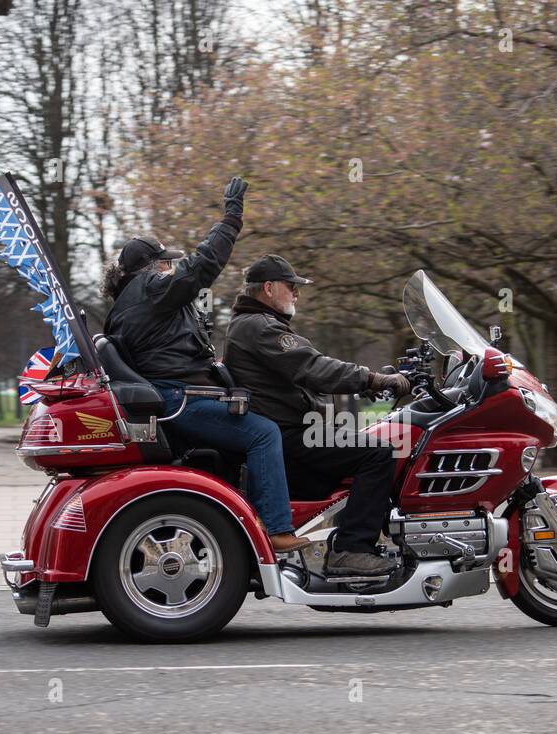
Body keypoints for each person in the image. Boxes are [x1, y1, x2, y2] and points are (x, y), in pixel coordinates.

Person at [99, 178, 308, 554]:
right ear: (152, 267)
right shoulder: (152, 289)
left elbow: (169, 351)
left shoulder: (132, 303)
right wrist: (231, 217)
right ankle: (276, 528)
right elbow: (202, 265)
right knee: (264, 433)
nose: (172, 268)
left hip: (177, 395)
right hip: (181, 400)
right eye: (167, 262)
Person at [223, 254, 411, 575]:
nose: (296, 294)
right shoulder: (261, 327)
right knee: (379, 452)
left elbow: (302, 375)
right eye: (291, 286)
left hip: (289, 432)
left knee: (370, 441)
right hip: (290, 437)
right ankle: (352, 549)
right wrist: (372, 379)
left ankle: (378, 535)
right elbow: (313, 366)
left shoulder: (254, 325)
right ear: (268, 288)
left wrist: (362, 387)